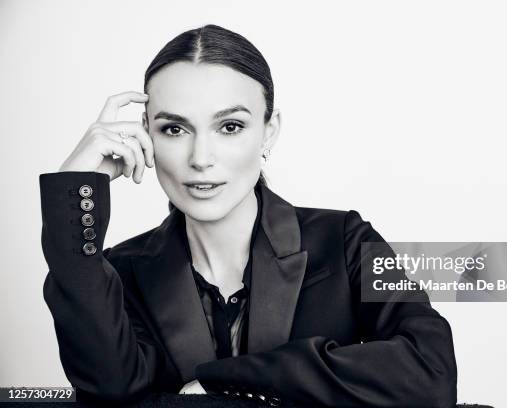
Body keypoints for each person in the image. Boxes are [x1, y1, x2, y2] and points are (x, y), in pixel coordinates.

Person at [39, 24, 457, 407]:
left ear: (268, 130)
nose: (201, 159)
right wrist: (73, 193)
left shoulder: (345, 239)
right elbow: (110, 395)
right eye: (174, 129)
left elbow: (430, 374)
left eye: (230, 127)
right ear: (145, 133)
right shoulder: (120, 271)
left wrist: (229, 380)